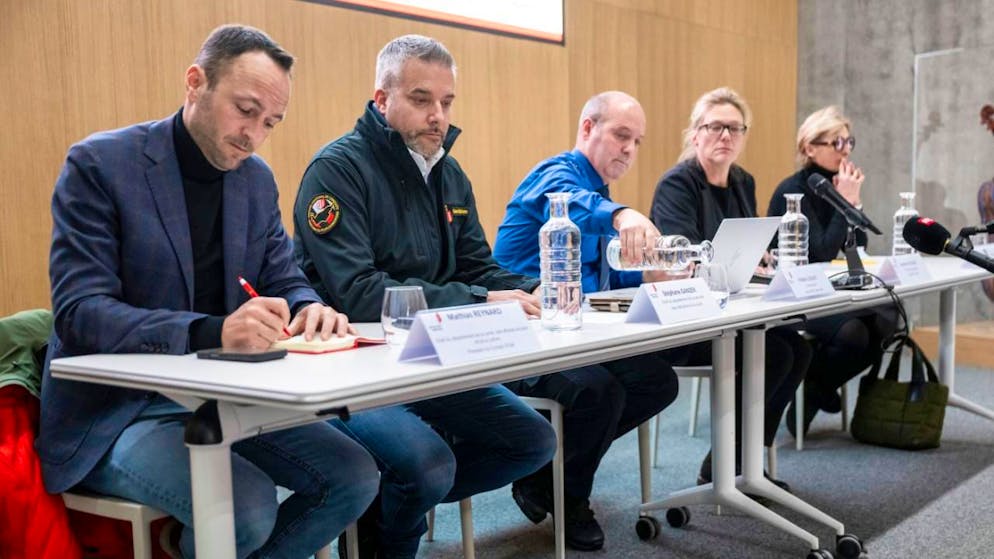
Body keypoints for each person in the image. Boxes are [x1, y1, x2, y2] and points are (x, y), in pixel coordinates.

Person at [37, 25, 380, 559]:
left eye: (270, 122)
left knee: (353, 476)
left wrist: (310, 307)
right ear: (195, 83)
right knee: (245, 508)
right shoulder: (101, 165)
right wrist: (212, 330)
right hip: (120, 409)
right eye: (245, 111)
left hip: (223, 398)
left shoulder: (255, 178)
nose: (254, 135)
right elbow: (81, 313)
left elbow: (282, 275)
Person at [293, 35, 556, 559]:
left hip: (431, 359)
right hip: (355, 366)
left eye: (447, 102)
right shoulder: (337, 170)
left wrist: (534, 289)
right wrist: (479, 298)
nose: (438, 116)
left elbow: (479, 264)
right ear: (381, 99)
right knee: (425, 465)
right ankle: (395, 509)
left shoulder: (448, 172)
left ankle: (390, 503)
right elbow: (361, 293)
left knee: (532, 443)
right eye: (421, 99)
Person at [492, 91, 679, 551]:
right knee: (600, 392)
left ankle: (543, 478)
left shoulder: (602, 201)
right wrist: (623, 215)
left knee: (658, 382)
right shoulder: (557, 179)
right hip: (523, 341)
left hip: (577, 340)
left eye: (637, 141)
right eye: (620, 135)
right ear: (587, 129)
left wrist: (655, 275)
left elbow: (612, 286)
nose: (629, 150)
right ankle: (570, 496)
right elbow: (571, 204)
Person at [651, 87, 812, 488]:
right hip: (686, 321)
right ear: (694, 133)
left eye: (735, 129)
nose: (726, 136)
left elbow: (741, 243)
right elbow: (684, 260)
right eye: (715, 127)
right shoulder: (677, 184)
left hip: (731, 311)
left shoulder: (743, 181)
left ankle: (743, 460)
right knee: (773, 353)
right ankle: (729, 465)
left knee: (798, 347)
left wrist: (758, 256)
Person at [768, 106, 898, 437]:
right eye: (836, 142)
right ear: (810, 148)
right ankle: (815, 389)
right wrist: (846, 202)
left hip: (832, 289)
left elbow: (860, 245)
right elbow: (820, 252)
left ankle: (816, 386)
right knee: (853, 334)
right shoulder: (791, 191)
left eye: (848, 141)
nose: (846, 150)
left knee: (888, 321)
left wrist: (852, 206)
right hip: (796, 294)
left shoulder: (837, 185)